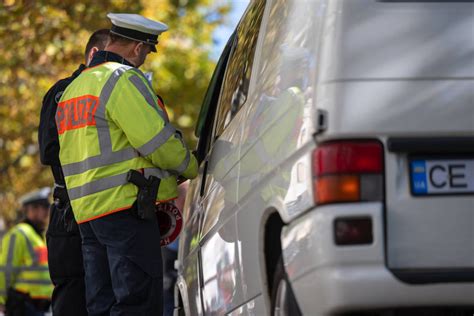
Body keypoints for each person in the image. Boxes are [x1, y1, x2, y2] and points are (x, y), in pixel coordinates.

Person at [55, 13, 198, 315]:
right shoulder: (121, 78)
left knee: (102, 305)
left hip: (87, 215)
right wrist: (190, 166)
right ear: (137, 48)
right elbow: (155, 141)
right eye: (147, 50)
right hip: (125, 209)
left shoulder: (74, 89)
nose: (145, 57)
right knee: (137, 302)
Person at [38, 28, 110, 316]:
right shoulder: (66, 92)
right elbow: (49, 151)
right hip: (79, 212)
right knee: (79, 296)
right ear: (94, 54)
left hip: (85, 208)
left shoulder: (108, 89)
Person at [0, 188, 54, 316]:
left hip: (42, 307)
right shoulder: (19, 234)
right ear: (31, 209)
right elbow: (6, 269)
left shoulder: (38, 236)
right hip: (24, 306)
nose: (47, 211)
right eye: (44, 206)